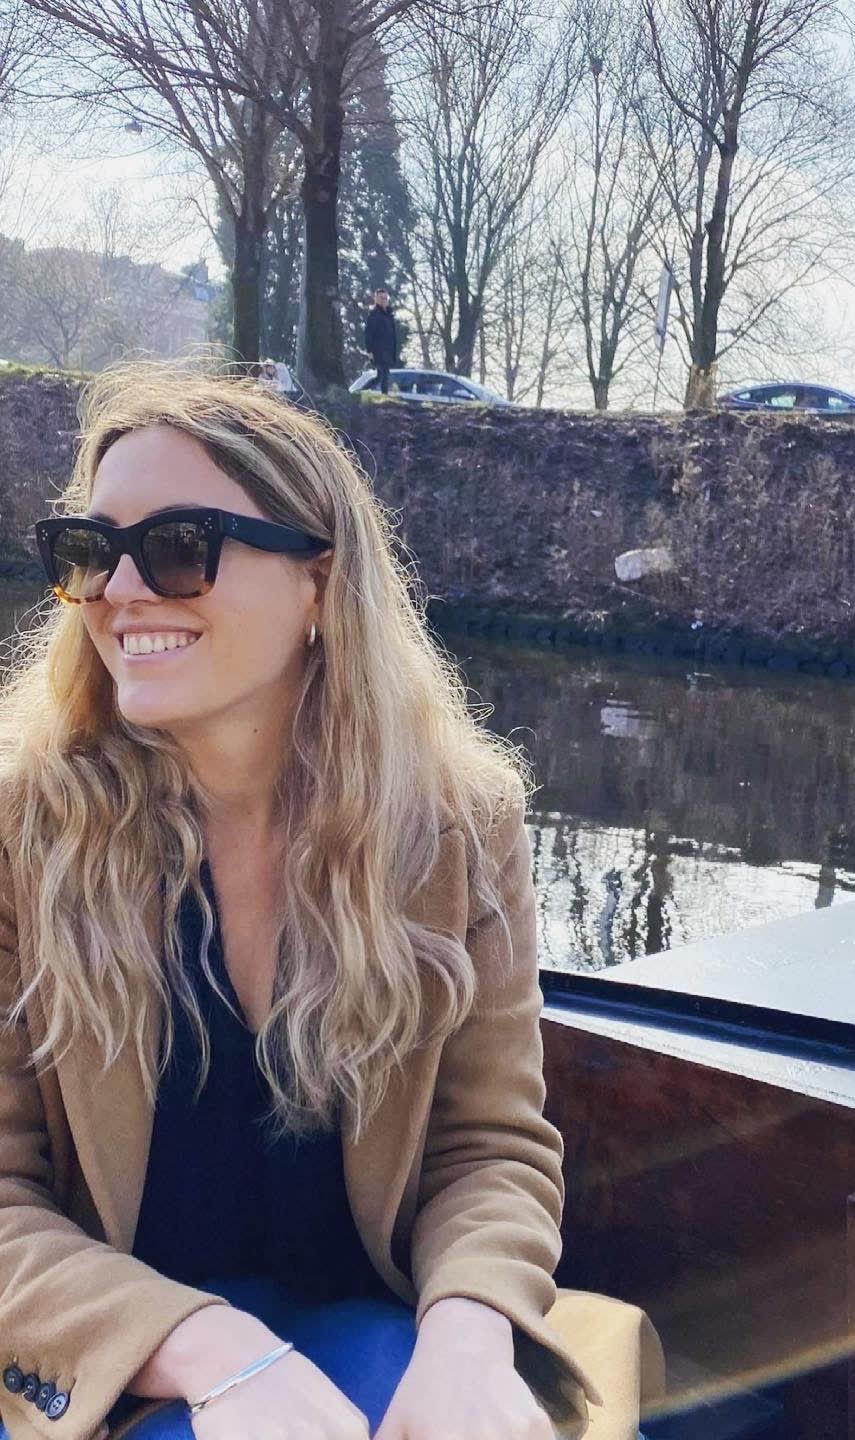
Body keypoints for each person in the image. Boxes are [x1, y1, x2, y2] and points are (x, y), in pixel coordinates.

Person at [0, 361, 661, 1440]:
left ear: (319, 582)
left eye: (177, 547)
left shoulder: (457, 826)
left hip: (371, 1329)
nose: (119, 591)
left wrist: (467, 1340)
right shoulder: (19, 833)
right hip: (116, 1360)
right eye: (91, 550)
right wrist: (215, 1352)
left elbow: (488, 1148)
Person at [363, 290, 400, 395]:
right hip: (378, 351)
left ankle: (362, 391)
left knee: (381, 376)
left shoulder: (389, 315)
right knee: (383, 375)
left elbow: (392, 335)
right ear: (376, 299)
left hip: (388, 351)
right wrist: (370, 351)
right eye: (381, 298)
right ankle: (384, 395)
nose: (383, 300)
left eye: (385, 298)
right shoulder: (374, 315)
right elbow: (368, 334)